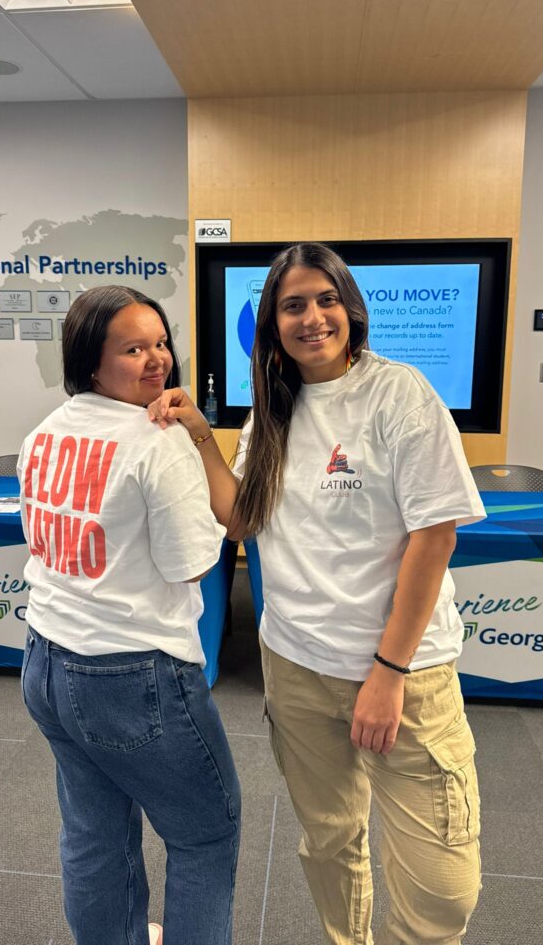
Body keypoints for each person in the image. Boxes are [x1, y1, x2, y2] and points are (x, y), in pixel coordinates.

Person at [149, 243, 486, 945]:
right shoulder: (273, 410)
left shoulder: (400, 394)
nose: (312, 318)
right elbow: (243, 517)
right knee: (331, 844)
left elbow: (435, 540)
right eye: (292, 305)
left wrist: (387, 676)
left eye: (325, 300)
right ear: (271, 324)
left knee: (444, 891)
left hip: (402, 676)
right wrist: (201, 438)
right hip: (297, 668)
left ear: (351, 309)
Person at [17, 285, 241, 945]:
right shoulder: (157, 442)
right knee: (206, 835)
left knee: (95, 836)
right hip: (135, 675)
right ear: (91, 362)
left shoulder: (45, 433)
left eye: (161, 342)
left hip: (47, 661)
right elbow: (192, 564)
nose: (156, 361)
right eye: (133, 348)